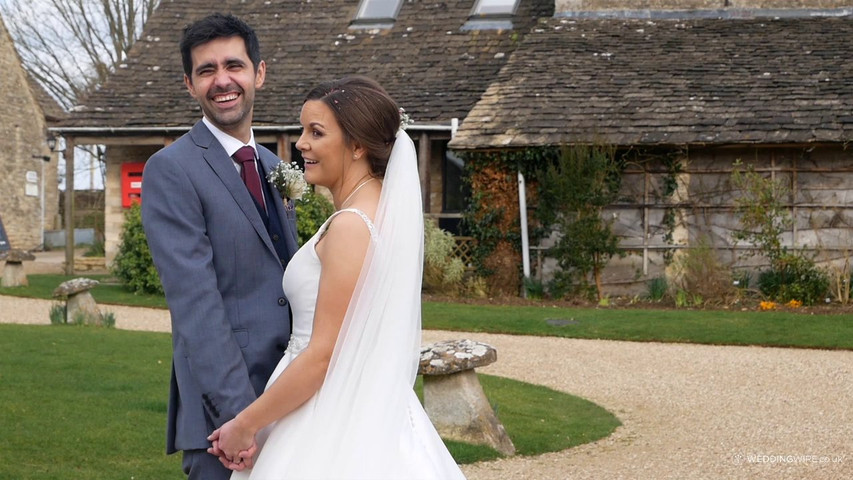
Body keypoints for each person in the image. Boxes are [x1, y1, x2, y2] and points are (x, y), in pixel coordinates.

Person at [207, 76, 466, 479]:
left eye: (316, 132)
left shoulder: (352, 226)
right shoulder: (380, 211)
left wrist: (245, 424)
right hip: (357, 400)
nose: (301, 144)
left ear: (358, 145)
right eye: (303, 130)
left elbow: (324, 355)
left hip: (326, 410)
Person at [141, 13, 298, 480]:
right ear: (189, 84)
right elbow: (197, 306)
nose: (222, 80)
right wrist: (241, 419)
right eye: (206, 70)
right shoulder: (171, 169)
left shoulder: (273, 164)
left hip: (288, 400)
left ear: (259, 73)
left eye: (234, 65)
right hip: (224, 422)